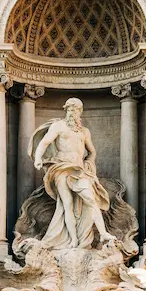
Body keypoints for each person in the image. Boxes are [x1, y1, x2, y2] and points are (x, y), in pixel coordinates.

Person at [30, 97, 116, 250]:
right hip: (61, 168)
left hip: (79, 170)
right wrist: (37, 158)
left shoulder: (84, 132)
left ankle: (103, 233)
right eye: (69, 109)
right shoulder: (58, 126)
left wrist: (89, 162)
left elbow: (92, 151)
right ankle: (73, 240)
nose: (72, 112)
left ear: (80, 112)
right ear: (66, 111)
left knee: (91, 199)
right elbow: (45, 142)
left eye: (75, 109)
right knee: (67, 204)